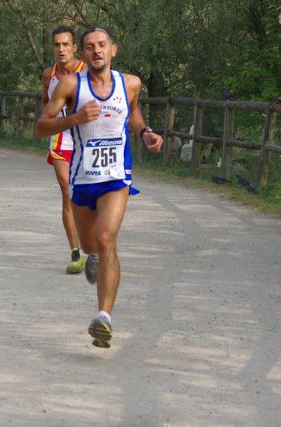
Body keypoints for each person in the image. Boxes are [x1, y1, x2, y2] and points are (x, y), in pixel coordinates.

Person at [36, 27, 163, 349]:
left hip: (116, 176)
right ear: (84, 53)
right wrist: (74, 118)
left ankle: (103, 316)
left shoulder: (130, 83)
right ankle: (91, 255)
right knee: (92, 244)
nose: (96, 51)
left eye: (102, 45)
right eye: (90, 47)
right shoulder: (69, 85)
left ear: (113, 50)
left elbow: (132, 113)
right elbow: (41, 126)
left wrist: (145, 132)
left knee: (107, 238)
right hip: (83, 178)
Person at [42, 26, 87, 275]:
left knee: (89, 193)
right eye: (57, 45)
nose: (61, 49)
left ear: (74, 47)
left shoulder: (87, 72)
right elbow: (45, 104)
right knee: (67, 192)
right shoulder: (49, 75)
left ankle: (94, 247)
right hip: (61, 137)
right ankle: (75, 253)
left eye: (65, 44)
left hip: (86, 139)